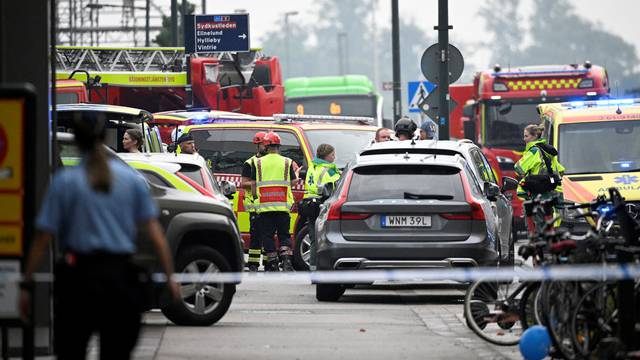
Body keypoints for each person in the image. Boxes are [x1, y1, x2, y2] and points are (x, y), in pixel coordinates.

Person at [20, 112, 180, 359]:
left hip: (77, 282)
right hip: (120, 281)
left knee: (71, 351)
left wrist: (26, 284)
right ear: (104, 137)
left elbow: (43, 237)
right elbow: (155, 234)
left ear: (76, 139)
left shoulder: (64, 182)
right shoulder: (131, 181)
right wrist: (170, 278)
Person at [250, 131, 298, 271]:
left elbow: (253, 184)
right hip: (283, 206)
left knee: (267, 236)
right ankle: (286, 261)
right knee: (284, 235)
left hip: (264, 207)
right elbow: (293, 181)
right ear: (279, 146)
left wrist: (255, 198)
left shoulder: (257, 163)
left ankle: (272, 263)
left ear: (265, 145)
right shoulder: (287, 162)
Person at [514, 124, 565, 233]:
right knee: (550, 224)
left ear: (534, 136)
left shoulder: (534, 151)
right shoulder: (547, 150)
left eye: (526, 136)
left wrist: (534, 177)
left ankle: (538, 246)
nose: (524, 139)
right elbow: (561, 170)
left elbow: (518, 168)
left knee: (536, 226)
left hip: (537, 193)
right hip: (552, 192)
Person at [302, 144, 341, 270]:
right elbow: (338, 186)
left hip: (309, 204)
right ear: (327, 156)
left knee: (313, 240)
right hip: (322, 205)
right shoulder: (329, 170)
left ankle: (313, 270)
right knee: (324, 240)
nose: (334, 157)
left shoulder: (312, 166)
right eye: (333, 155)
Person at [242, 131, 268, 272]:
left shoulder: (272, 162)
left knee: (268, 236)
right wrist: (258, 183)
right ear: (257, 145)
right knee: (256, 237)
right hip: (254, 206)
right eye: (264, 144)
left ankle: (269, 263)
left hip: (269, 204)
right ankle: (253, 264)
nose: (266, 147)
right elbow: (243, 183)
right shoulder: (249, 163)